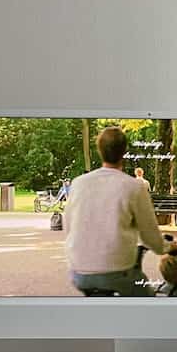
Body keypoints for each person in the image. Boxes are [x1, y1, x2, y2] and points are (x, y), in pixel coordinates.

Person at [64, 126, 166, 296]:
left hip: (79, 272)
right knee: (147, 297)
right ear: (124, 151)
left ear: (100, 150)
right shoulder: (134, 187)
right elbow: (150, 237)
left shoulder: (78, 183)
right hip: (118, 272)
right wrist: (166, 248)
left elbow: (69, 227)